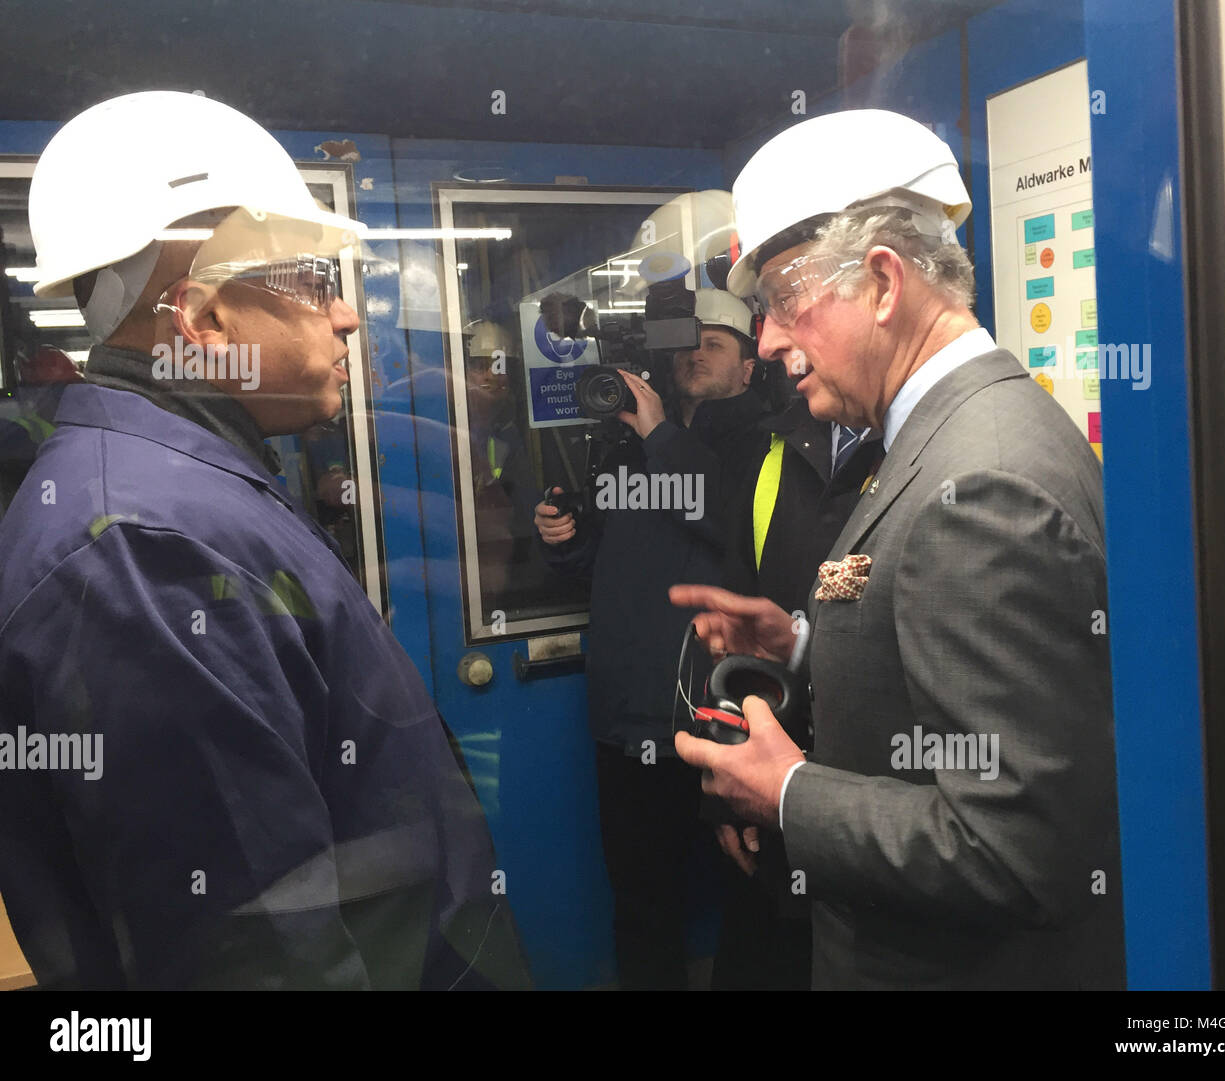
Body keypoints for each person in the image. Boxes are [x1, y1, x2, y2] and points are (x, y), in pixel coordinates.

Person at [0, 91, 529, 990]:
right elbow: (257, 955)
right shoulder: (142, 550)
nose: (348, 316)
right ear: (203, 322)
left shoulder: (182, 485)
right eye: (315, 283)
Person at [672, 108, 1125, 990]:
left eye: (782, 302)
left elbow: (1017, 848)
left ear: (883, 282)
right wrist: (804, 644)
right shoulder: (945, 436)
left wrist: (791, 793)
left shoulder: (983, 480)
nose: (766, 342)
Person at [534, 287, 769, 989]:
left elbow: (724, 522)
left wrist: (661, 433)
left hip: (723, 723)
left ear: (750, 368)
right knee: (641, 911)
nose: (696, 353)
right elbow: (610, 566)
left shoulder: (766, 441)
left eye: (717, 343)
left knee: (754, 902)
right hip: (627, 721)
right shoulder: (630, 444)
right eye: (688, 342)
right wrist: (568, 541)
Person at [710, 394, 884, 990]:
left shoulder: (921, 446)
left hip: (876, 799)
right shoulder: (773, 448)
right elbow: (735, 635)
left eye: (792, 302)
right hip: (767, 783)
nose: (774, 343)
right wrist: (725, 791)